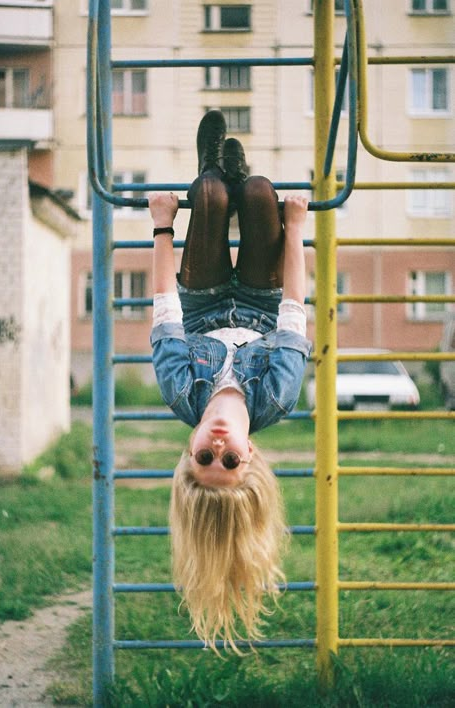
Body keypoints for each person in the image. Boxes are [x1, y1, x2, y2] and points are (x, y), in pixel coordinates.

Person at [148, 110, 312, 652]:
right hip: (264, 303)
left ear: (187, 452)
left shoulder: (180, 390)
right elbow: (293, 307)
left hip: (204, 301)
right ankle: (245, 192)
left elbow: (167, 311)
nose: (217, 447)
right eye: (231, 462)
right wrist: (297, 229)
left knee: (210, 194)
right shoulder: (278, 393)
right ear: (252, 456)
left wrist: (164, 226)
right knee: (264, 194)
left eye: (203, 460)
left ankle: (216, 180)